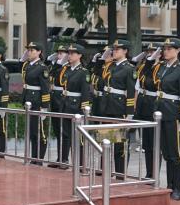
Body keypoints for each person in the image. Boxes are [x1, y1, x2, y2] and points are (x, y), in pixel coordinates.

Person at [152, 38, 180, 198]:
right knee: (167, 152)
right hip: (161, 113)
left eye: (169, 49)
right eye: (164, 49)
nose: (165, 51)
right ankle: (169, 185)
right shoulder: (162, 67)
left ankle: (177, 188)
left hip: (173, 114)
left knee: (176, 153)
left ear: (178, 50)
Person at [98, 40, 136, 177]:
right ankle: (104, 170)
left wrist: (130, 113)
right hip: (107, 106)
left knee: (120, 144)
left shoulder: (129, 68)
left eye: (117, 49)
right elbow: (100, 81)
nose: (114, 51)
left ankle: (120, 173)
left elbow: (131, 92)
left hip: (119, 108)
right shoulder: (110, 66)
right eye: (113, 49)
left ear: (125, 51)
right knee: (106, 141)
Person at [60, 44, 92, 166]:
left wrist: (84, 110)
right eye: (69, 53)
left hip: (76, 106)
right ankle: (64, 160)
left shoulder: (83, 72)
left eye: (73, 53)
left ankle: (80, 163)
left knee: (78, 136)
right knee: (66, 134)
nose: (70, 55)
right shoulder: (67, 69)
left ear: (79, 55)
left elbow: (85, 92)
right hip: (66, 104)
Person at [20, 42, 50, 163]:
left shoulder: (42, 67)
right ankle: (33, 157)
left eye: (32, 50)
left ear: (39, 52)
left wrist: (44, 106)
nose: (29, 52)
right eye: (28, 50)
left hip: (37, 101)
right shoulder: (27, 65)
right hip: (29, 100)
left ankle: (39, 159)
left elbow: (45, 88)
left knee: (39, 132)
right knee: (32, 131)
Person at [133, 43, 159, 179]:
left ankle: (154, 173)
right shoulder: (144, 67)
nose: (150, 53)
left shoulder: (161, 68)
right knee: (147, 144)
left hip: (153, 105)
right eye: (148, 51)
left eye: (153, 51)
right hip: (143, 105)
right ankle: (149, 173)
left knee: (154, 144)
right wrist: (135, 105)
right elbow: (137, 87)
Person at [47, 46, 69, 167]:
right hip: (55, 100)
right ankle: (60, 158)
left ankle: (64, 159)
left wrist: (59, 64)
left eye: (62, 53)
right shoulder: (56, 66)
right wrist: (54, 62)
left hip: (62, 100)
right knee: (57, 131)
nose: (59, 55)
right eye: (58, 53)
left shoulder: (67, 67)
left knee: (64, 131)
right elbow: (50, 75)